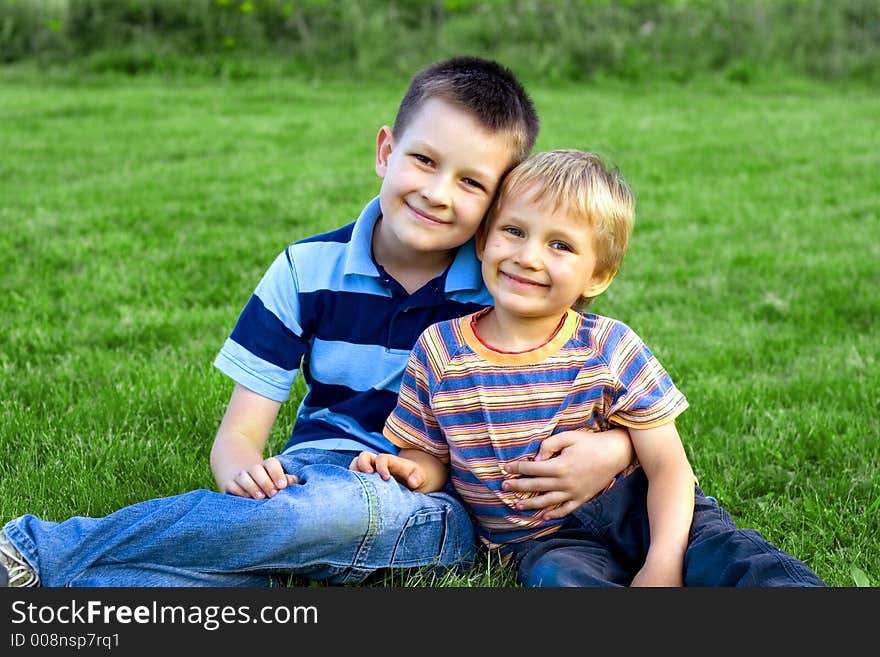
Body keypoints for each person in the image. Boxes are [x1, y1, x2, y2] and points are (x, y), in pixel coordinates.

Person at [0, 57, 634, 588]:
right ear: (386, 151)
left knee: (321, 518)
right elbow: (239, 439)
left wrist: (615, 446)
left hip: (432, 499)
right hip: (311, 472)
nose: (439, 193)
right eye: (424, 160)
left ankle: (40, 549)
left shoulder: (506, 285)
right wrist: (244, 474)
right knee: (267, 552)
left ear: (497, 200)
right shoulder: (306, 270)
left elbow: (603, 387)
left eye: (471, 181)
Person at [350, 149, 825, 586]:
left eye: (561, 245)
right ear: (483, 240)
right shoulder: (439, 351)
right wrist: (405, 469)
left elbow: (669, 468)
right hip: (543, 541)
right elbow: (431, 459)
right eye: (513, 231)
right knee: (559, 579)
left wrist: (663, 560)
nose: (528, 256)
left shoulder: (607, 346)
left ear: (597, 275)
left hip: (637, 508)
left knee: (732, 557)